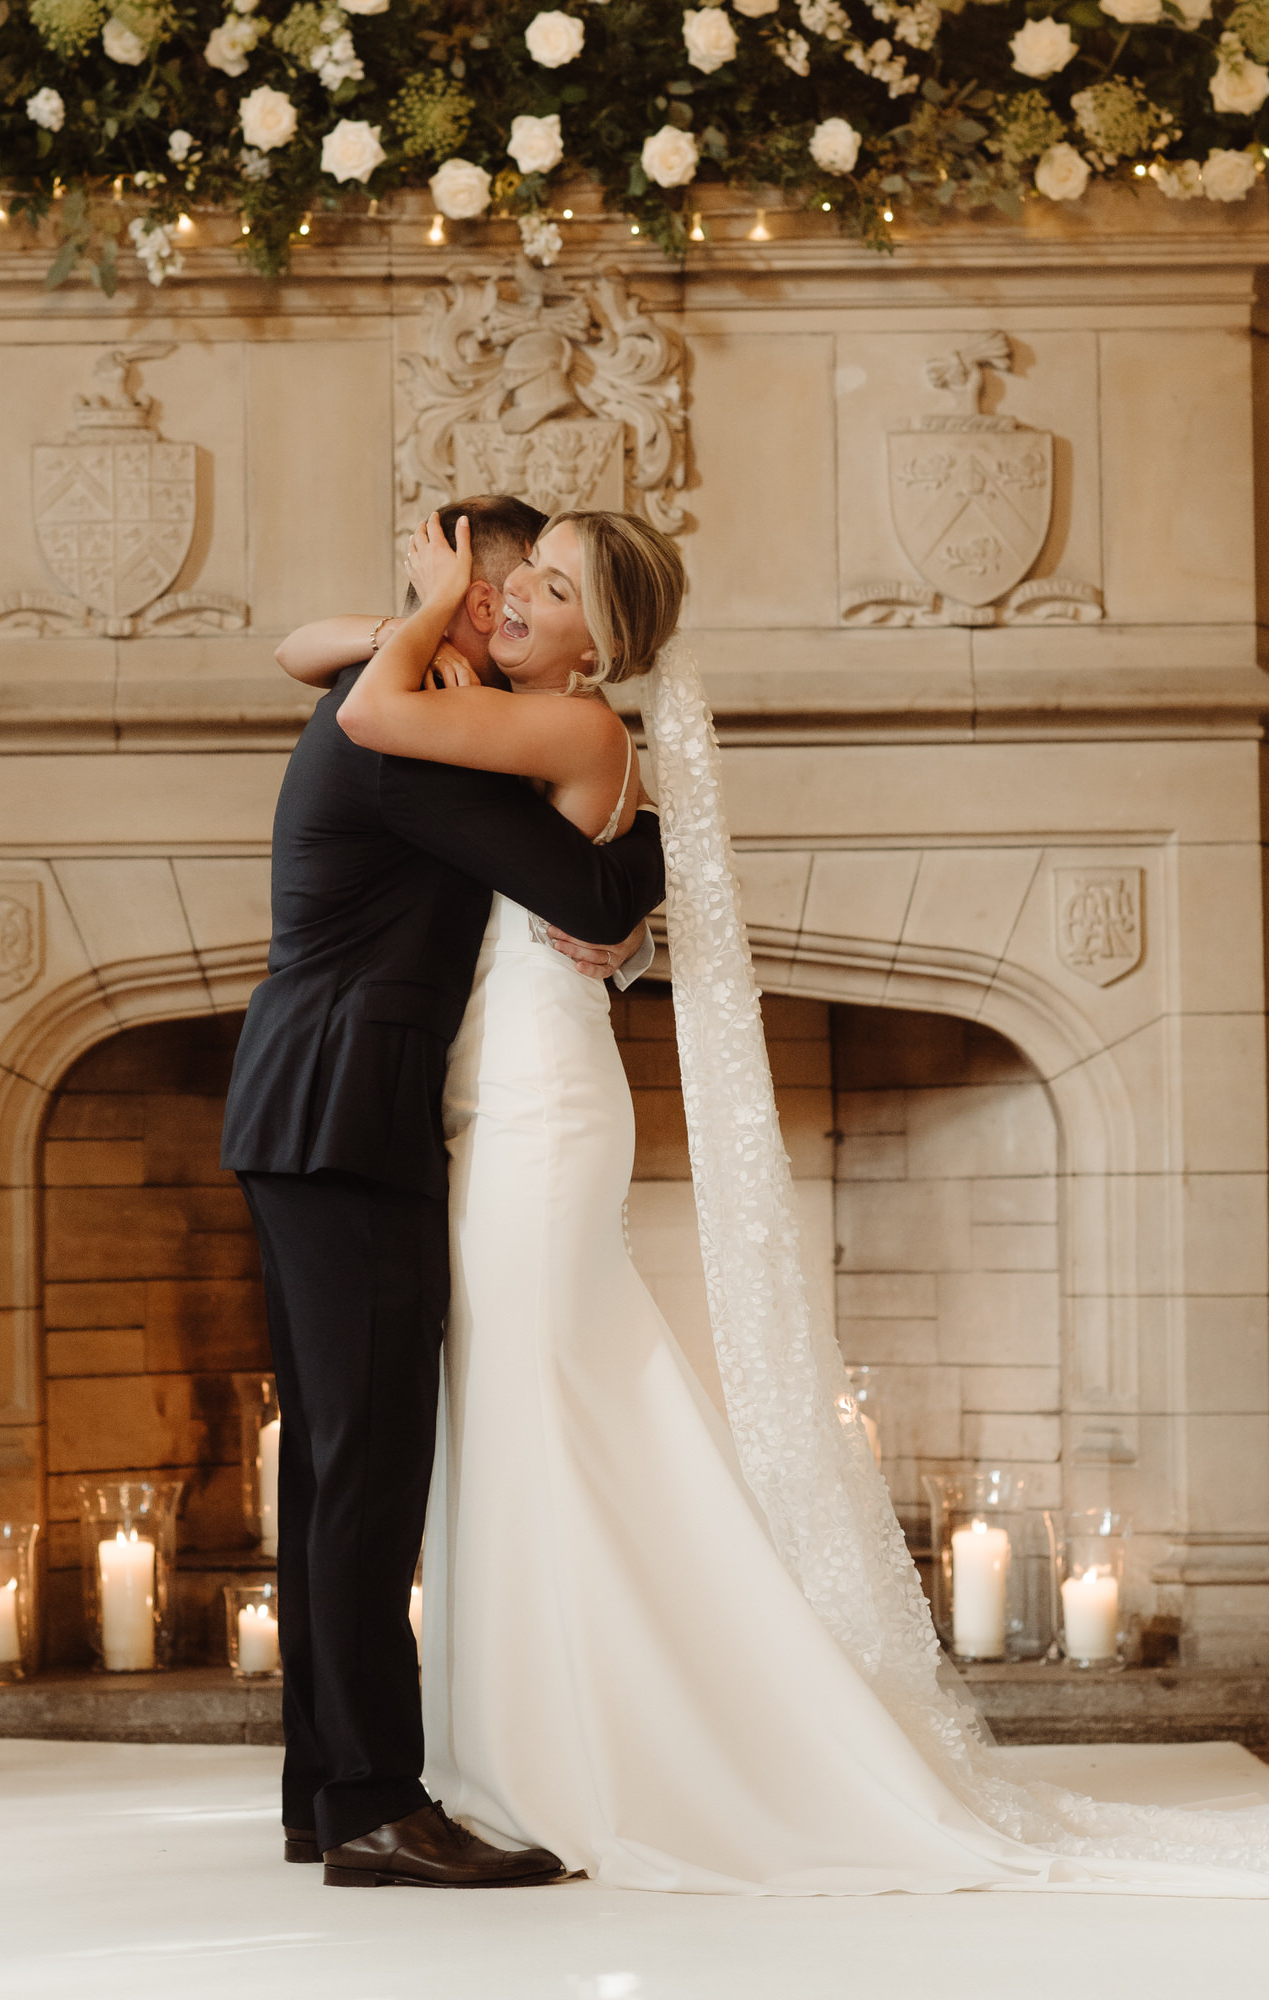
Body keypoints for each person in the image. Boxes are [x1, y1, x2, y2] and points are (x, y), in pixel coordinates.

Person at [325, 503, 1269, 1897]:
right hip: (495, 1104)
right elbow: (345, 679)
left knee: (538, 1416)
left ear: (602, 645)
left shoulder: (574, 731)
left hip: (538, 1114)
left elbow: (367, 720)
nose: (512, 589)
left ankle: (592, 1760)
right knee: (525, 1420)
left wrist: (428, 596)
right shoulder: (501, 710)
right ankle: (525, 1751)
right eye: (517, 567)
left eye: (552, 584)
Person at [220, 493, 666, 1890]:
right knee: (367, 1473)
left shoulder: (419, 696)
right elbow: (584, 898)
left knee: (335, 1473)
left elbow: (581, 887)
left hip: (322, 1107)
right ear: (446, 593)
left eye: (526, 590)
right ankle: (370, 1802)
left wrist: (632, 875)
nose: (498, 609)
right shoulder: (398, 717)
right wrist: (638, 871)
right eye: (487, 589)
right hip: (349, 1112)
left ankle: (323, 1795)